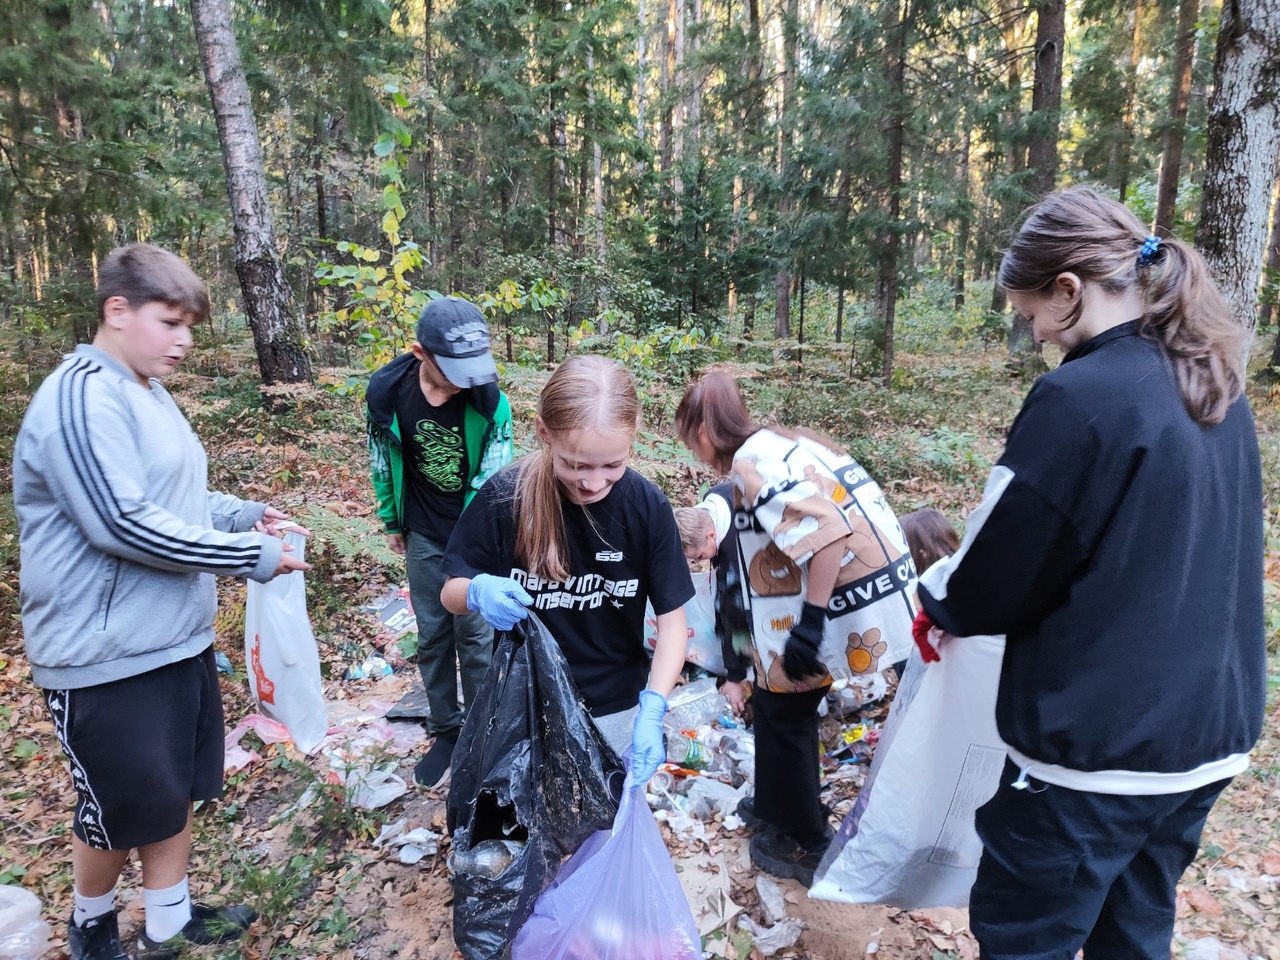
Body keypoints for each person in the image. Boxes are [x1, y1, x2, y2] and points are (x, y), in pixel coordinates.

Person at [913, 188, 1264, 959]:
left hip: (1096, 755)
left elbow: (994, 576)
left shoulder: (1081, 398)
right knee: (1134, 933)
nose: (1034, 333)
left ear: (1068, 290)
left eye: (1031, 311)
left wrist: (936, 598)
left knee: (1025, 937)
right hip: (1203, 741)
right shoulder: (1212, 379)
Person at [13, 244, 311, 960]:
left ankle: (169, 920)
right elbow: (121, 523)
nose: (182, 340)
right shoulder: (82, 396)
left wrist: (243, 515)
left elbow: (171, 499)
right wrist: (252, 558)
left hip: (172, 638)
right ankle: (90, 927)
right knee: (118, 807)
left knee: (170, 789)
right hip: (102, 654)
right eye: (169, 322)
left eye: (189, 326)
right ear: (117, 310)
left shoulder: (145, 387)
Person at [674, 373, 916, 886]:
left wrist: (810, 623)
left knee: (786, 716)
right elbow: (740, 594)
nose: (695, 454)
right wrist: (743, 668)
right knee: (785, 708)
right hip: (835, 598)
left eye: (689, 439)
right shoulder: (782, 442)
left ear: (701, 430)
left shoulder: (750, 462)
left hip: (829, 602)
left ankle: (806, 840)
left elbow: (828, 534)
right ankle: (774, 806)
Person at [440, 355, 692, 782]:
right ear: (544, 433)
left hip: (617, 706)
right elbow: (450, 594)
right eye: (576, 465)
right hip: (526, 703)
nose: (593, 483)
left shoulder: (646, 507)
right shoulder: (507, 497)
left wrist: (655, 703)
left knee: (604, 831)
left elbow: (672, 626)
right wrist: (478, 591)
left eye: (612, 466)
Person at [366, 296, 513, 789]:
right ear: (419, 353)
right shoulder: (387, 393)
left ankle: (481, 726)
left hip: (473, 531)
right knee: (432, 634)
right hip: (424, 530)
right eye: (454, 370)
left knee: (474, 636)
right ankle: (446, 728)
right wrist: (392, 521)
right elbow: (382, 459)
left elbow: (492, 480)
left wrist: (478, 546)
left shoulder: (490, 401)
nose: (466, 380)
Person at [675, 487, 752, 714]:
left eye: (699, 557)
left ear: (711, 535)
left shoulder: (733, 556)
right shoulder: (717, 495)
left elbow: (737, 621)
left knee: (732, 607)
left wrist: (735, 678)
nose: (699, 561)